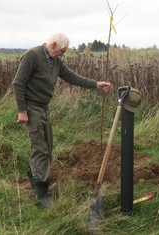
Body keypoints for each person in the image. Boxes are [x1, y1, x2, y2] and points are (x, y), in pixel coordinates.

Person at [12, 33, 111, 208]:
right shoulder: (32, 56)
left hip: (44, 107)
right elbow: (18, 83)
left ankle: (38, 182)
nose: (63, 54)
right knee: (40, 149)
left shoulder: (55, 61)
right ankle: (41, 196)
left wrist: (96, 84)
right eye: (62, 51)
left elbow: (71, 77)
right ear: (53, 44)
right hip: (31, 108)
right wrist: (22, 111)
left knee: (48, 148)